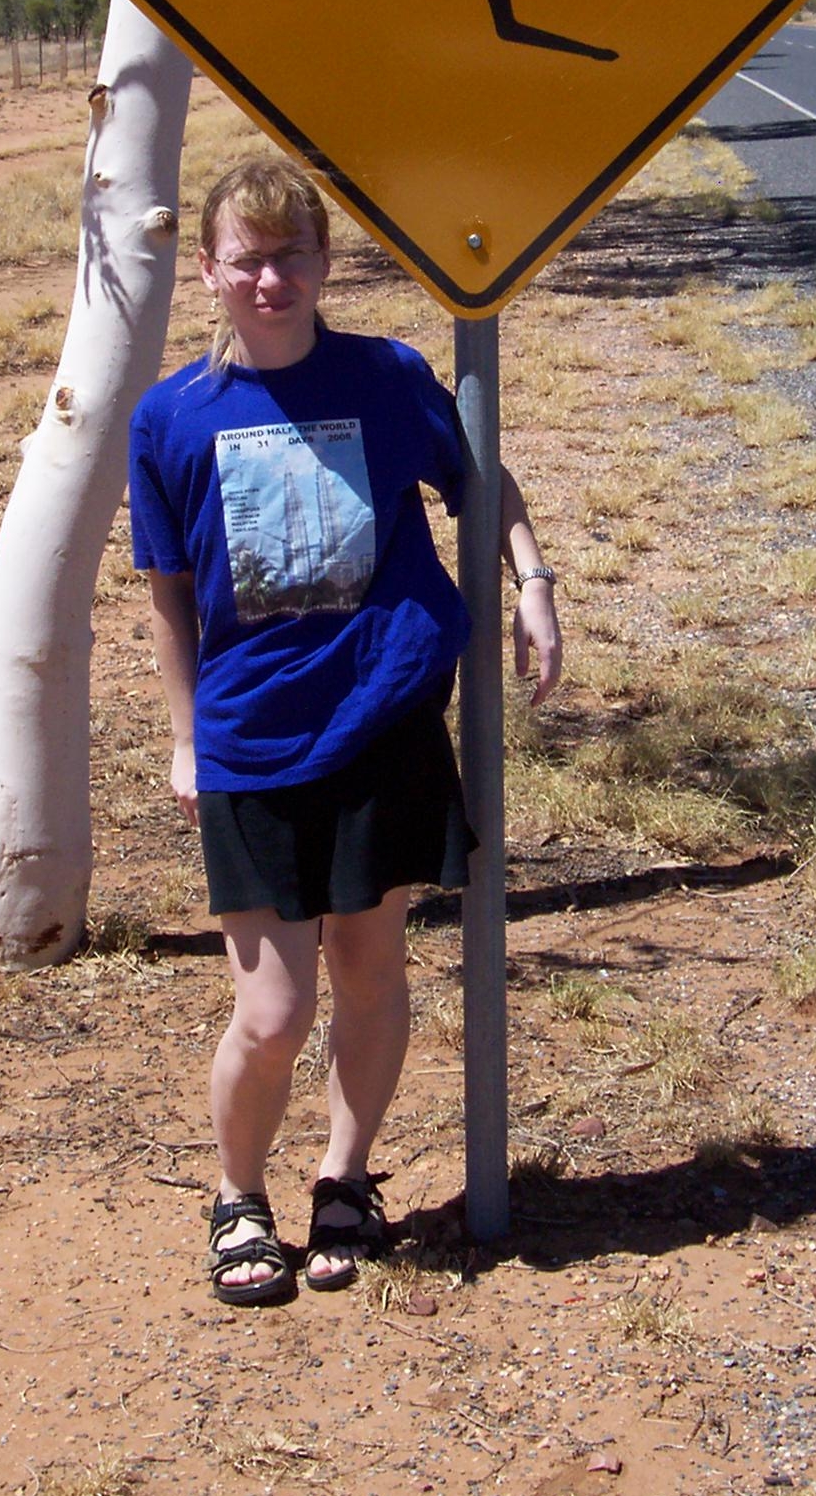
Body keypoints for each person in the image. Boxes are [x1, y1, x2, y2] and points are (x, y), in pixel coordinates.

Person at [128, 154, 561, 1304]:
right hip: (253, 742)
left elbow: (483, 483)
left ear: (323, 264)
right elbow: (169, 594)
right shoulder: (171, 417)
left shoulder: (386, 375)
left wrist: (533, 582)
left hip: (384, 722)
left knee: (371, 973)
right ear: (210, 271)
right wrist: (184, 739)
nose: (270, 281)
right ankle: (237, 1199)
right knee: (271, 1010)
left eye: (291, 258)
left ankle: (344, 1178)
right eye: (247, 261)